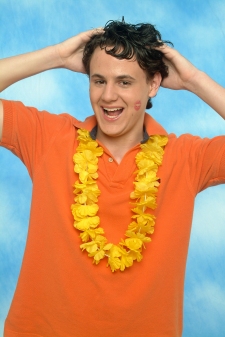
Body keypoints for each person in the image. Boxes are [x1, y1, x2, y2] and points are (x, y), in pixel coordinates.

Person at [0, 19, 224, 337]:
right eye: (98, 80)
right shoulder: (48, 137)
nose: (108, 96)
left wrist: (194, 79)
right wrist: (57, 56)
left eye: (124, 82)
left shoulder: (186, 158)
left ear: (152, 85)